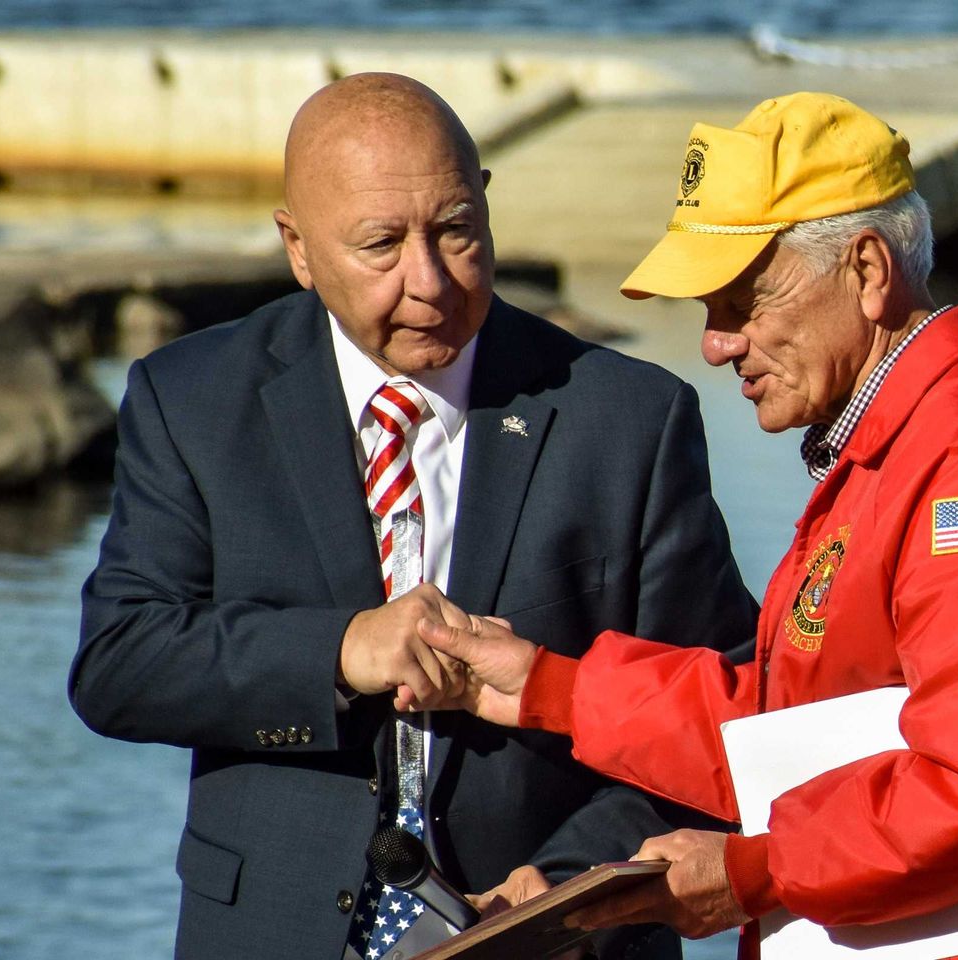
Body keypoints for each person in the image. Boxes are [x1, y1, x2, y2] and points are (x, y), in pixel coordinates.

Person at [417, 92, 958, 959]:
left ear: (866, 271)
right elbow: (794, 727)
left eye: (744, 301)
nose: (716, 344)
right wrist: (543, 689)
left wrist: (755, 872)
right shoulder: (898, 443)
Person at [69, 73, 757, 960]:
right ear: (299, 248)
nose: (429, 281)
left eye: (457, 231)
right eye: (381, 245)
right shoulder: (191, 399)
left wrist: (576, 880)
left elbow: (723, 707)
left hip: (556, 938)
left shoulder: (628, 418)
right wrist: (340, 651)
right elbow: (121, 664)